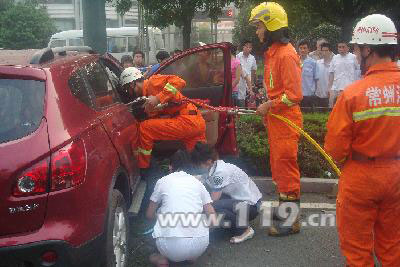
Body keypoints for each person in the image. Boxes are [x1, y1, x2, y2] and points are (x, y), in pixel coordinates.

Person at [324, 14, 400, 266]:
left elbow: (334, 148)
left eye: (357, 50)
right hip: (397, 175)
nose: (356, 56)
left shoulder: (353, 94)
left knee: (357, 250)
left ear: (368, 49)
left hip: (361, 176)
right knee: (393, 246)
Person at [249, 2, 303, 236]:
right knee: (279, 167)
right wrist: (269, 110)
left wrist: (269, 105)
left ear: (271, 26)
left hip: (286, 120)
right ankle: (285, 210)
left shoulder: (286, 55)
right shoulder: (273, 53)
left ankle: (291, 221)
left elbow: (294, 95)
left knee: (286, 167)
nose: (257, 31)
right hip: (277, 119)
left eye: (259, 26)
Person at [119, 67, 206, 172]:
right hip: (194, 120)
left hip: (187, 121)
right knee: (200, 159)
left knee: (145, 128)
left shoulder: (152, 82)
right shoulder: (146, 95)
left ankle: (143, 167)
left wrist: (157, 98)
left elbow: (179, 81)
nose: (129, 93)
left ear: (133, 84)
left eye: (128, 89)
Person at [146, 149, 215, 266]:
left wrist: (160, 218)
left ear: (170, 167)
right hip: (200, 244)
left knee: (152, 255)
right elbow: (212, 217)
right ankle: (191, 256)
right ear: (190, 167)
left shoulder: (162, 181)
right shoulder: (198, 183)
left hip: (171, 248)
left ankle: (161, 260)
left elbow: (149, 215)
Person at [190, 143, 262, 244]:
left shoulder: (220, 172)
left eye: (197, 164)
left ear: (209, 161)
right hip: (242, 202)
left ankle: (245, 230)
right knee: (213, 205)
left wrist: (196, 208)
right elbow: (200, 179)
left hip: (251, 207)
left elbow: (213, 199)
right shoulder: (213, 167)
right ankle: (233, 222)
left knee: (213, 206)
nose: (196, 167)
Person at [327, 41, 360, 107]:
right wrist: (329, 87)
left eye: (343, 47)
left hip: (350, 87)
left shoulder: (353, 57)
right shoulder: (335, 58)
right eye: (339, 47)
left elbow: (358, 71)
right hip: (336, 88)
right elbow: (331, 73)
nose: (341, 49)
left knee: (348, 107)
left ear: (348, 48)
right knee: (333, 107)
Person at [298, 39, 318, 107]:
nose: (302, 50)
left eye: (304, 48)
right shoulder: (294, 61)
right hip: (296, 94)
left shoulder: (313, 63)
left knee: (308, 116)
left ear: (308, 49)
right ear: (298, 49)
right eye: (301, 48)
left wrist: (314, 92)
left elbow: (316, 79)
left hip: (309, 95)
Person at [236, 40, 257, 106]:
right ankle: (241, 112)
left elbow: (253, 70)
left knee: (249, 100)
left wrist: (252, 82)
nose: (248, 48)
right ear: (243, 47)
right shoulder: (238, 56)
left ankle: (247, 113)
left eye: (250, 47)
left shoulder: (252, 58)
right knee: (240, 99)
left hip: (249, 82)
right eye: (246, 46)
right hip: (240, 81)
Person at [315, 42, 333, 107]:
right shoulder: (317, 63)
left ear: (330, 52)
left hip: (329, 95)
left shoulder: (333, 64)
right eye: (323, 51)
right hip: (318, 95)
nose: (324, 52)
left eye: (326, 50)